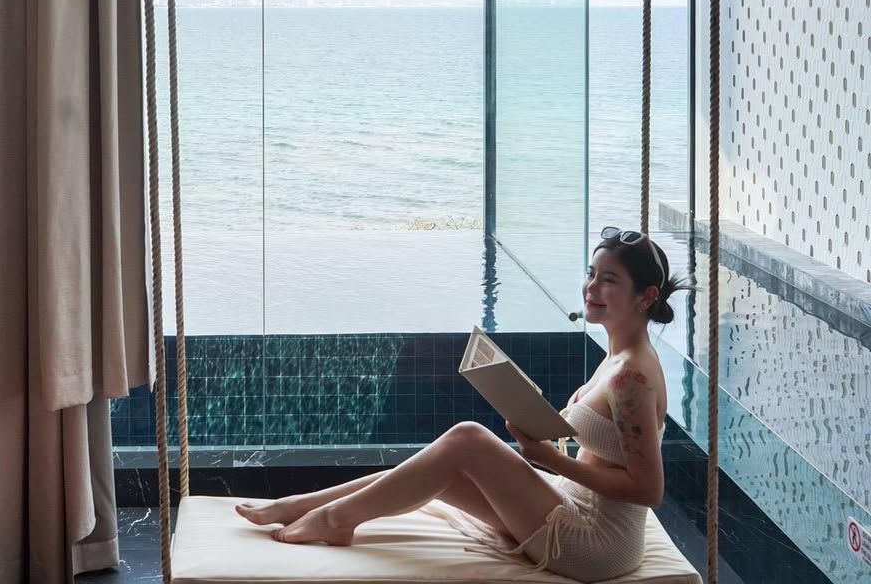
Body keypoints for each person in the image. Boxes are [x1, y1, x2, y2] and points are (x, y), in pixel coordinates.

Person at [235, 227, 691, 582]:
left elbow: (648, 491)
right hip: (574, 504)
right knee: (441, 466)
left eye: (608, 280)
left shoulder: (632, 377)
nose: (591, 287)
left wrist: (552, 460)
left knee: (468, 439)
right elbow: (606, 444)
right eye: (592, 274)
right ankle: (305, 504)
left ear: (646, 296)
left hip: (597, 545)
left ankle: (335, 519)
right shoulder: (618, 355)